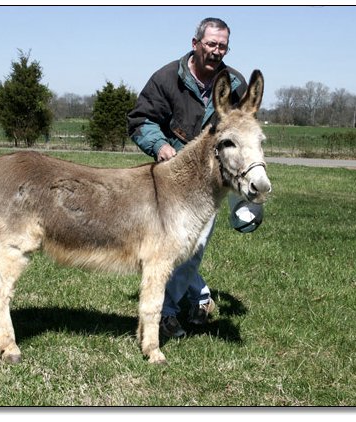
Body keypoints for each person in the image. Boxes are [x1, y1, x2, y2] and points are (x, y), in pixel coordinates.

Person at [127, 17, 262, 338]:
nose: (216, 51)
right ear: (195, 43)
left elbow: (244, 128)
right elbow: (140, 120)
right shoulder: (166, 79)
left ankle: (180, 305)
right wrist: (160, 146)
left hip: (214, 181)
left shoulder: (235, 83)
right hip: (171, 180)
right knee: (181, 247)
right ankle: (178, 308)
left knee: (192, 246)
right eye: (211, 44)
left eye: (222, 46)